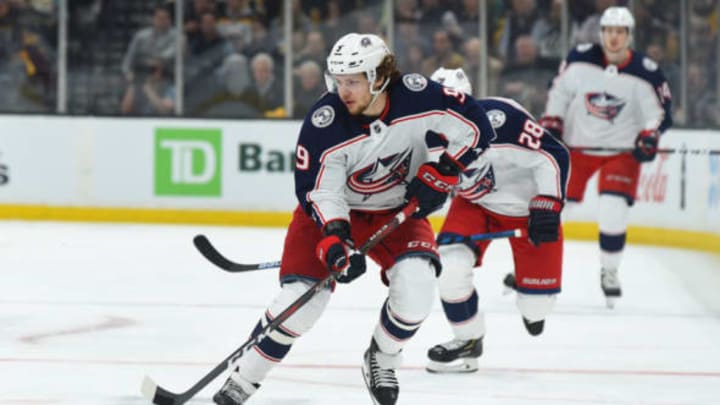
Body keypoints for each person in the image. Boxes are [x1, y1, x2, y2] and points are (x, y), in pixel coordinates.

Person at [212, 33, 495, 405]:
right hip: (335, 213)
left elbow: (477, 124)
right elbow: (319, 190)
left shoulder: (418, 95)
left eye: (354, 81)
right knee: (300, 303)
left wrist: (446, 170)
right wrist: (335, 236)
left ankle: (381, 358)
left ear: (379, 77)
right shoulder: (325, 121)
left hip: (396, 211)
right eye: (340, 80)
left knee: (416, 289)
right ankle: (243, 380)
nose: (343, 90)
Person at [426, 67, 569, 373]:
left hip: (529, 211)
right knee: (449, 268)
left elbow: (554, 154)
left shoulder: (502, 121)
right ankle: (468, 339)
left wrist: (548, 203)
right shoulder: (421, 136)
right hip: (475, 207)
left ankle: (524, 281)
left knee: (536, 312)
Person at [539, 6, 673, 308]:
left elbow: (660, 114)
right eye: (609, 31)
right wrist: (553, 120)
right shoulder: (579, 59)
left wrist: (650, 135)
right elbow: (557, 93)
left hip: (621, 151)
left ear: (629, 36)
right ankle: (533, 264)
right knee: (558, 206)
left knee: (613, 208)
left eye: (620, 32)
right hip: (577, 145)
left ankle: (610, 271)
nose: (614, 38)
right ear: (601, 34)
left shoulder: (646, 72)